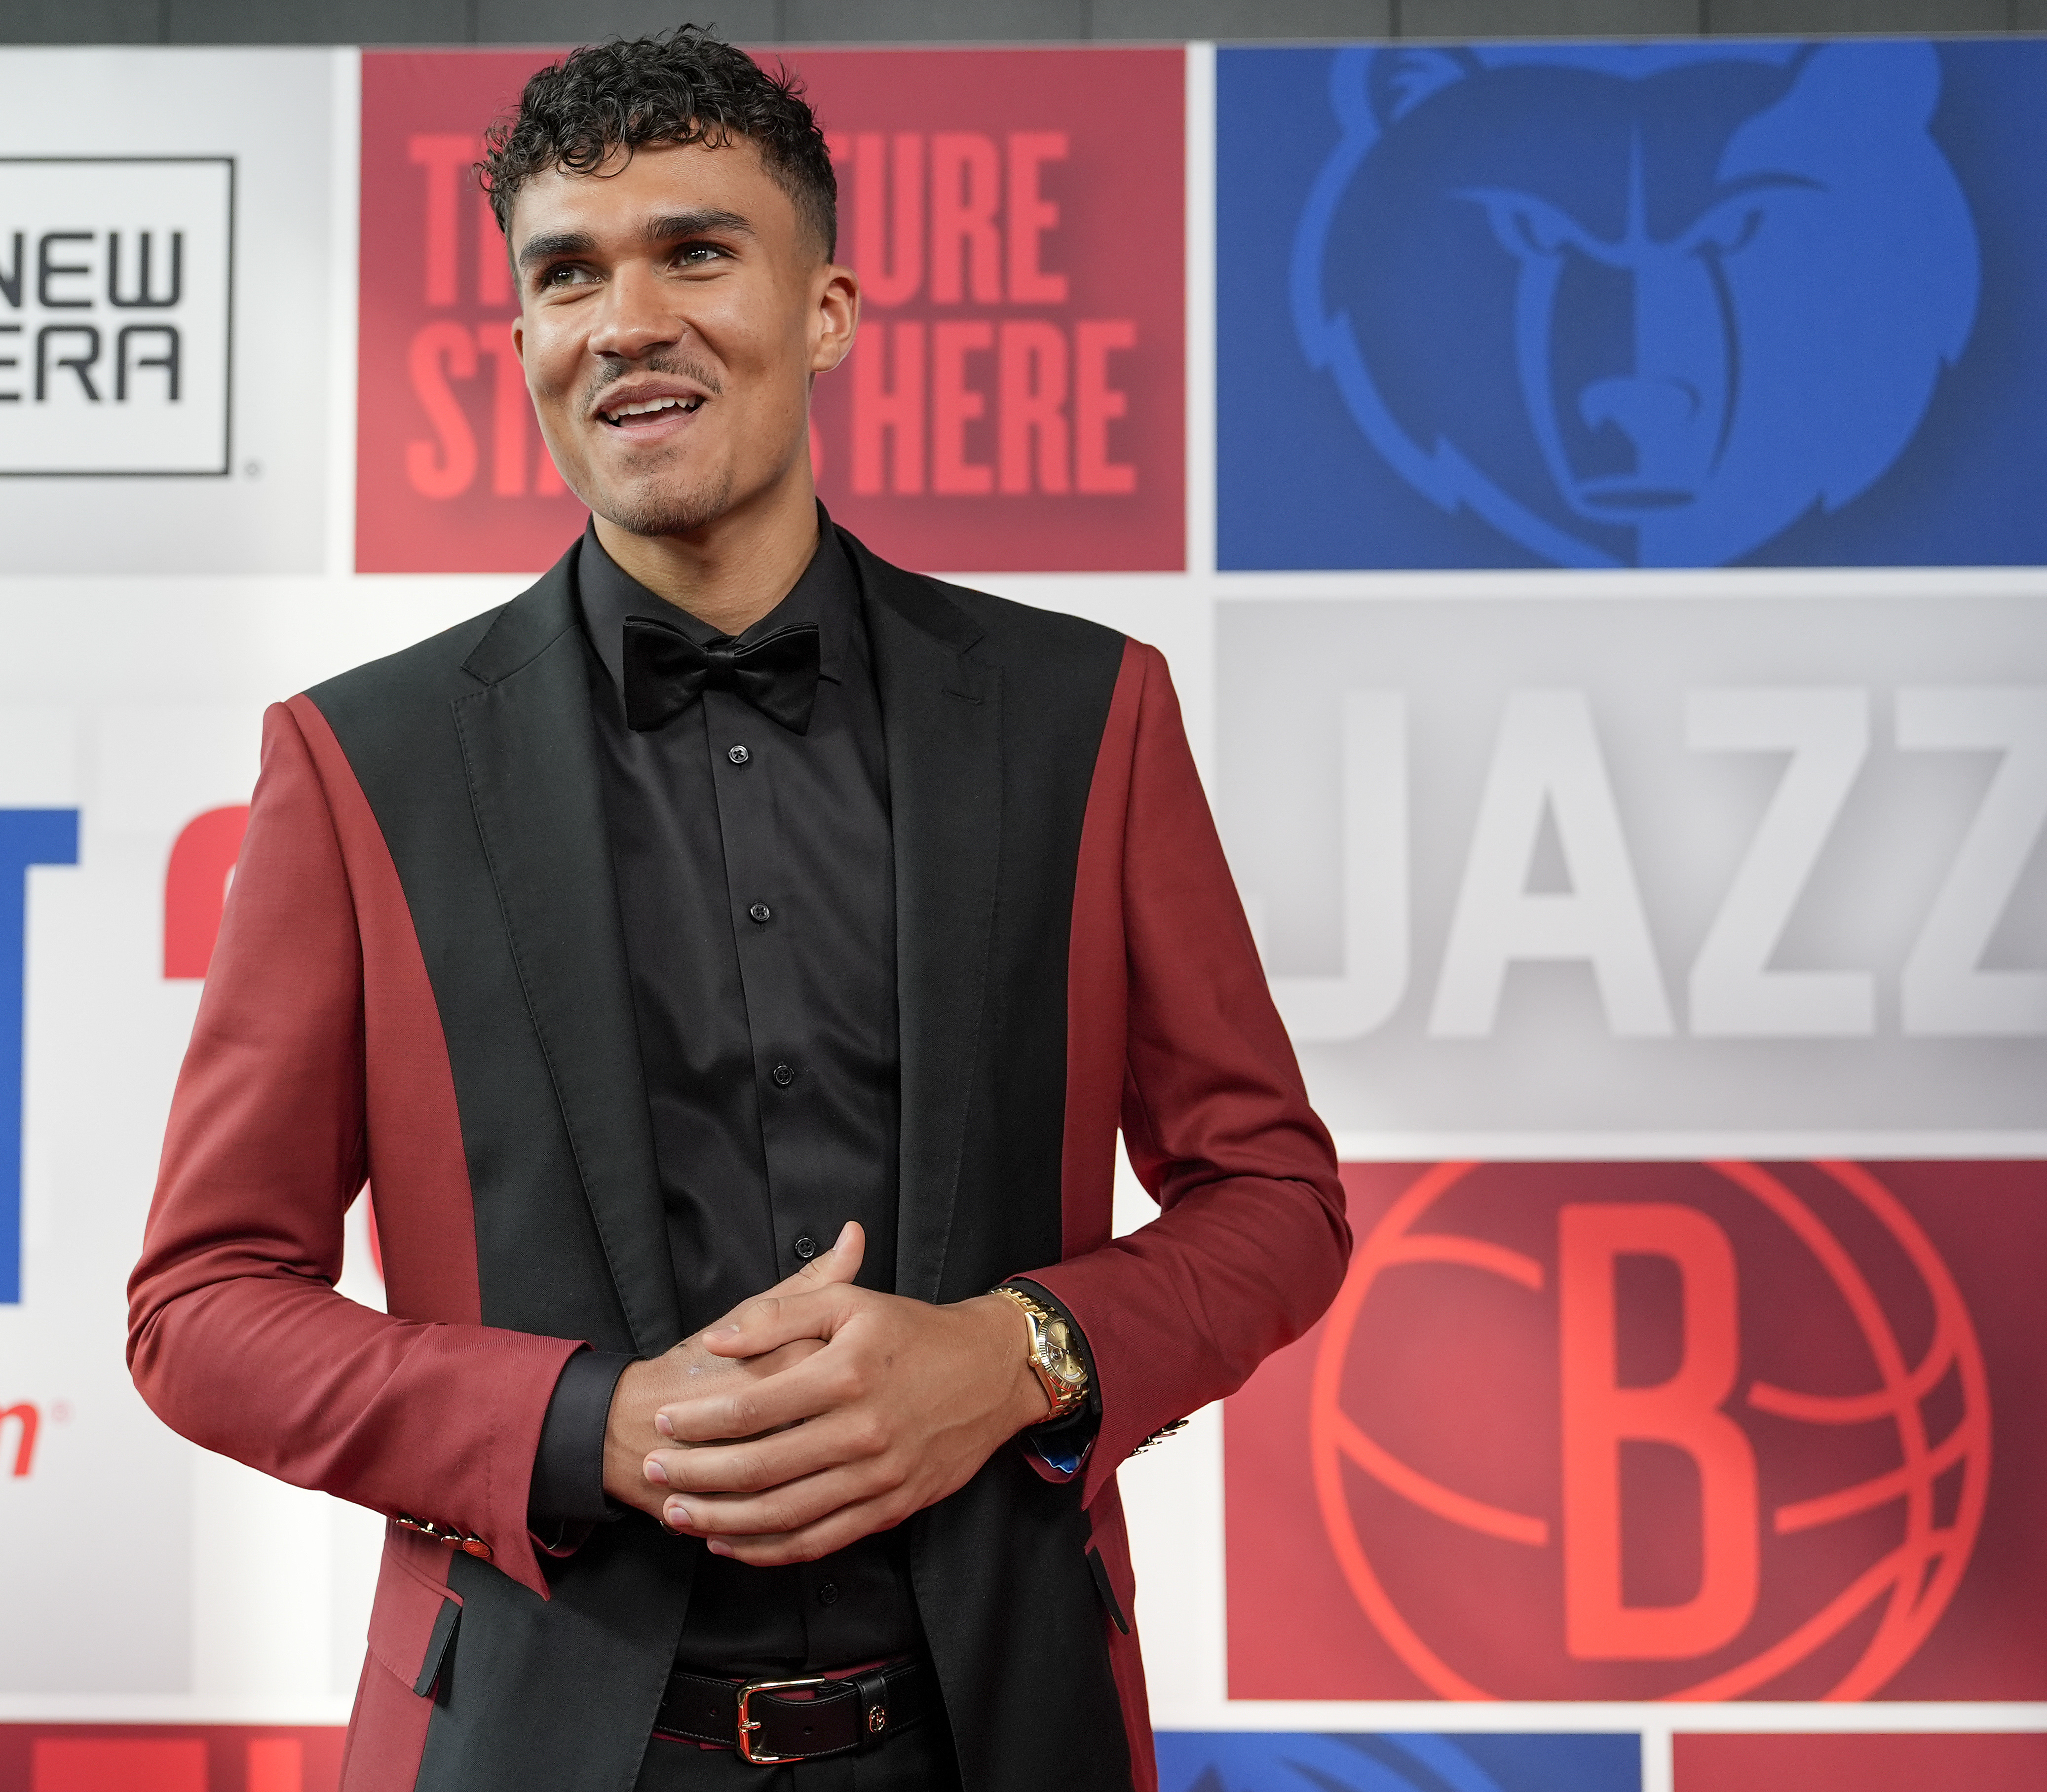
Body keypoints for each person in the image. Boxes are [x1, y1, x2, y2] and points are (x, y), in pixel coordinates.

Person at [128, 28, 1347, 1792]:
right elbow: (201, 1305)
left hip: (1002, 1736)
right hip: (538, 1748)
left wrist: (1016, 1357)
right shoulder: (359, 761)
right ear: (529, 340)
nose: (626, 318)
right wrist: (583, 1427)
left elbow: (1275, 1198)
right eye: (567, 275)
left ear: (828, 309)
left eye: (694, 251)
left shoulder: (1088, 714)